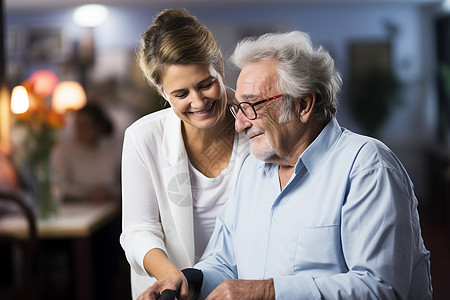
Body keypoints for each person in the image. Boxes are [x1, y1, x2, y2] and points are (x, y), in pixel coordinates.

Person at [144, 31, 433, 299]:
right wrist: (187, 282)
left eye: (252, 106)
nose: (240, 123)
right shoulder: (253, 171)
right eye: (238, 107)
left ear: (303, 105)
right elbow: (223, 260)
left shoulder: (368, 168)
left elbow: (380, 288)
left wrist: (269, 291)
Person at [119, 8, 249, 300]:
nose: (198, 101)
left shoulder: (256, 121)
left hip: (247, 288)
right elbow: (139, 229)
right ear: (161, 91)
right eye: (181, 94)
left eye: (206, 84)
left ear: (221, 67)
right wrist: (169, 275)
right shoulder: (143, 138)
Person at [51, 102, 121, 202]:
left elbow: (126, 184)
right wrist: (86, 194)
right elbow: (58, 185)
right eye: (78, 126)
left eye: (86, 126)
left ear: (99, 127)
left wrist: (110, 193)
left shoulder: (112, 148)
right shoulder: (64, 149)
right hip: (77, 207)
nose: (81, 131)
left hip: (110, 208)